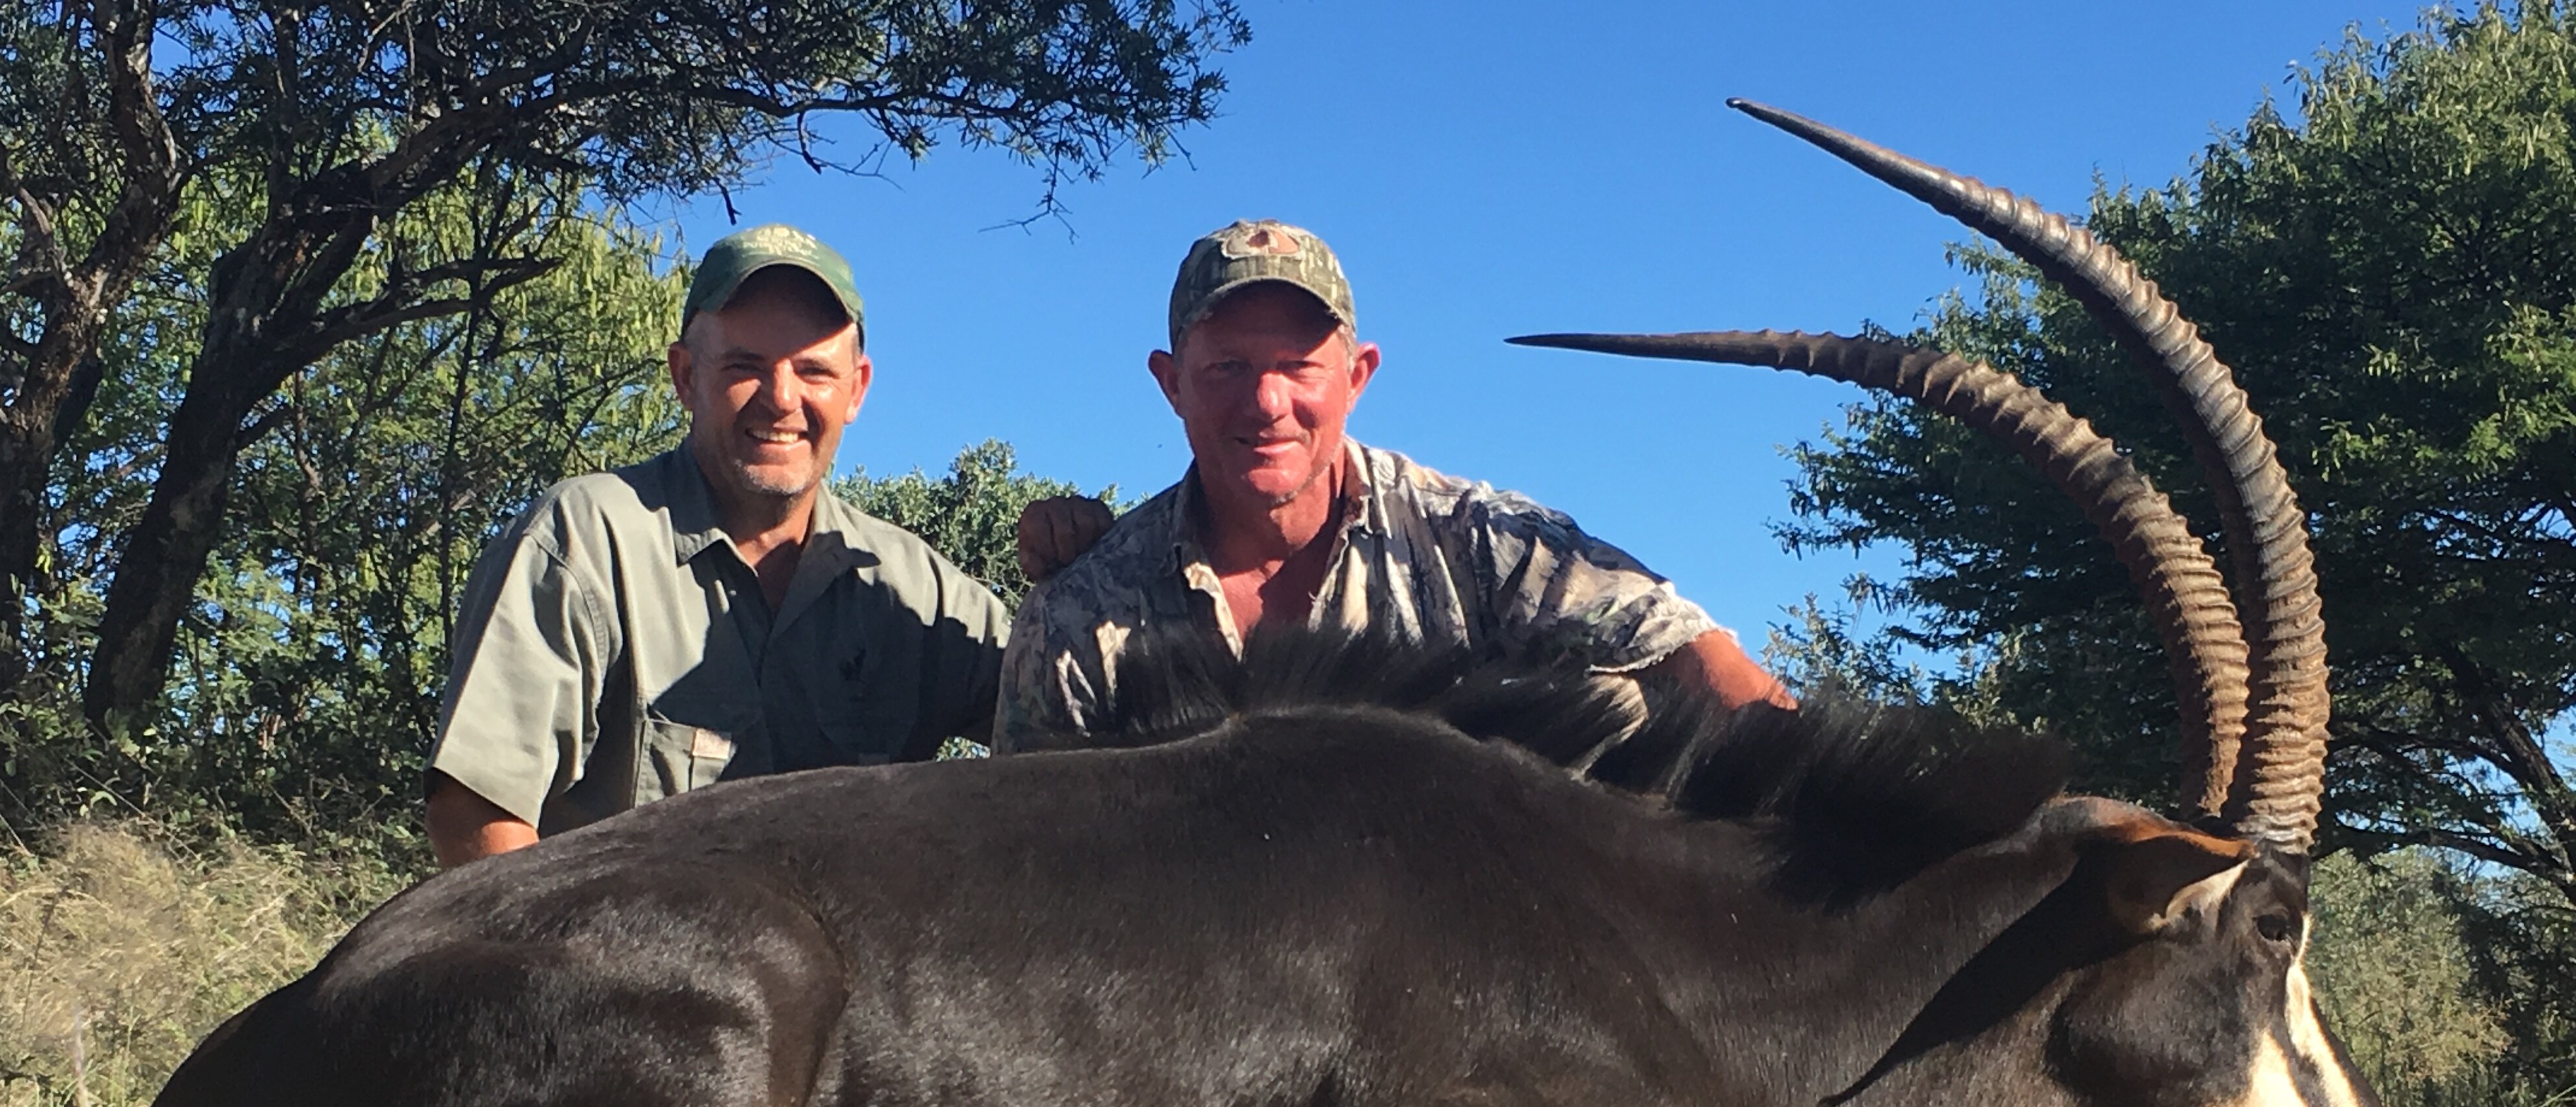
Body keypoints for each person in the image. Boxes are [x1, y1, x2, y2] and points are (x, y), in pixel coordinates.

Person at [997, 218, 1789, 752]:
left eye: (1298, 368)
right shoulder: (1078, 614)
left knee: (1620, 705)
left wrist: (1828, 797)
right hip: (1188, 970)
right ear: (1171, 385)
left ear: (1357, 377)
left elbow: (1689, 646)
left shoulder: (1481, 540)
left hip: (1447, 956)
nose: (1267, 402)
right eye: (1228, 368)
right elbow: (1033, 858)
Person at [426, 225, 1013, 864]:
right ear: (686, 377)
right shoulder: (587, 537)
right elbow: (475, 813)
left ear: (857, 390)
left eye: (814, 371)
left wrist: (1079, 562)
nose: (782, 399)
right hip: (623, 957)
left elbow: (1079, 735)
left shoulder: (914, 584)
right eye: (745, 367)